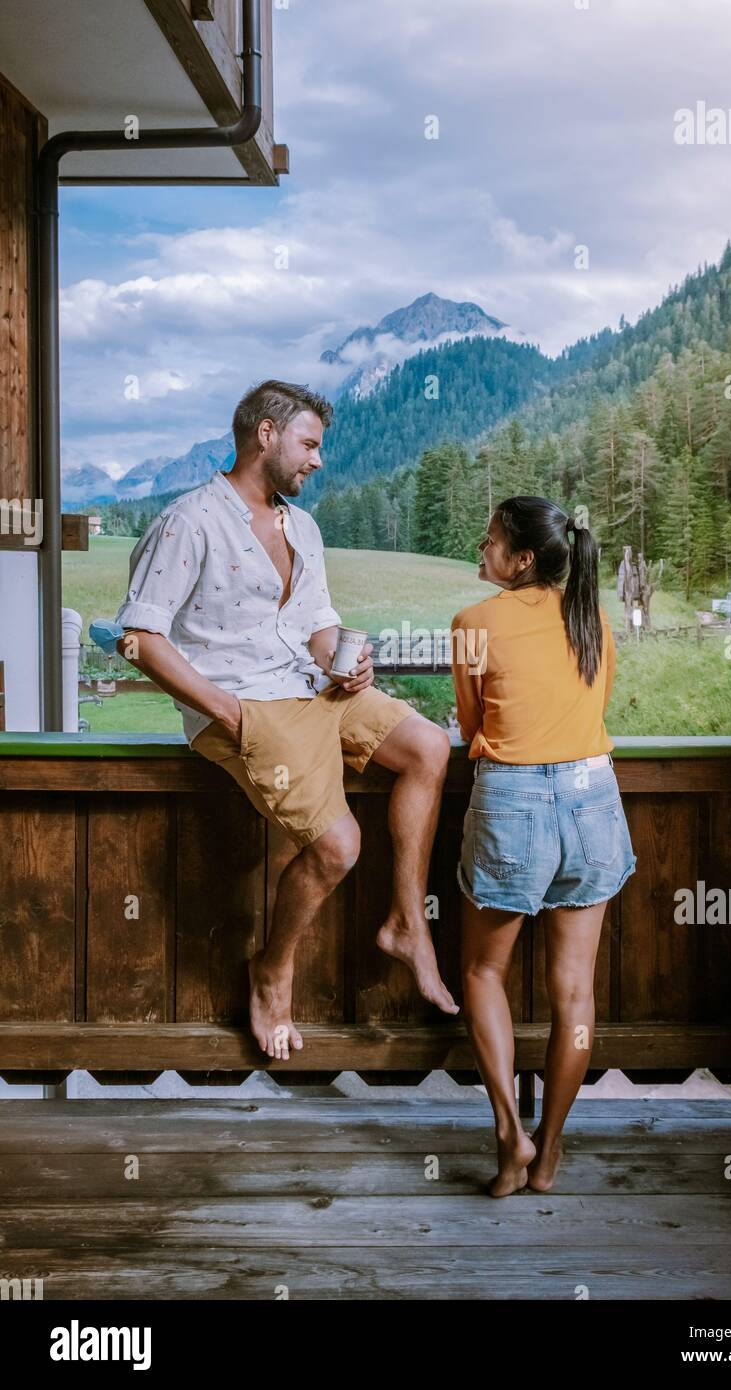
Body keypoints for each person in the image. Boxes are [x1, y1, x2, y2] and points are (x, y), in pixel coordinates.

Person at [116, 380, 458, 1061]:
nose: (318, 461)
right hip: (248, 703)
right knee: (339, 847)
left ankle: (406, 924)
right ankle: (273, 972)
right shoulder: (191, 521)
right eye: (309, 444)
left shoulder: (302, 527)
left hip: (312, 688)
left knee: (427, 747)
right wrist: (227, 711)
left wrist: (350, 665)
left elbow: (317, 628)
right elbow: (140, 638)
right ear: (264, 436)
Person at [450, 496, 636, 1197]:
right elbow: (595, 706)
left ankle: (510, 1135)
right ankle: (551, 1152)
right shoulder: (594, 619)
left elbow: (472, 725)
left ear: (521, 559)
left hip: (512, 802)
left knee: (480, 974)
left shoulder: (472, 624)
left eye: (492, 538)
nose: (482, 545)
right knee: (575, 992)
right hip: (592, 798)